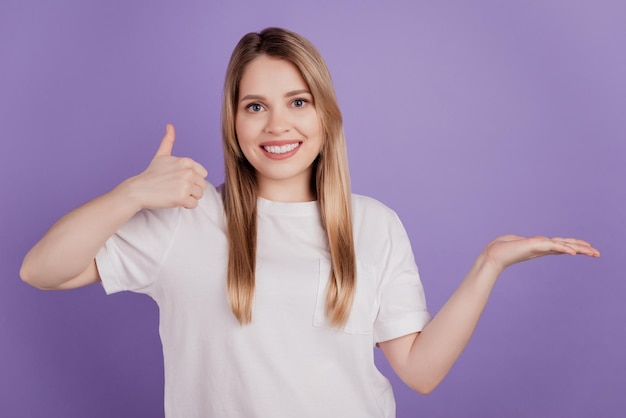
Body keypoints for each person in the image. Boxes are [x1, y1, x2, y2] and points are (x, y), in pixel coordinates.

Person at [20, 27, 600, 417]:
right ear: (233, 122)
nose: (278, 125)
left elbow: (419, 372)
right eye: (256, 106)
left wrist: (488, 264)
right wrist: (132, 194)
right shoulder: (185, 221)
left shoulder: (373, 224)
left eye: (298, 102)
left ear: (325, 115)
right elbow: (41, 270)